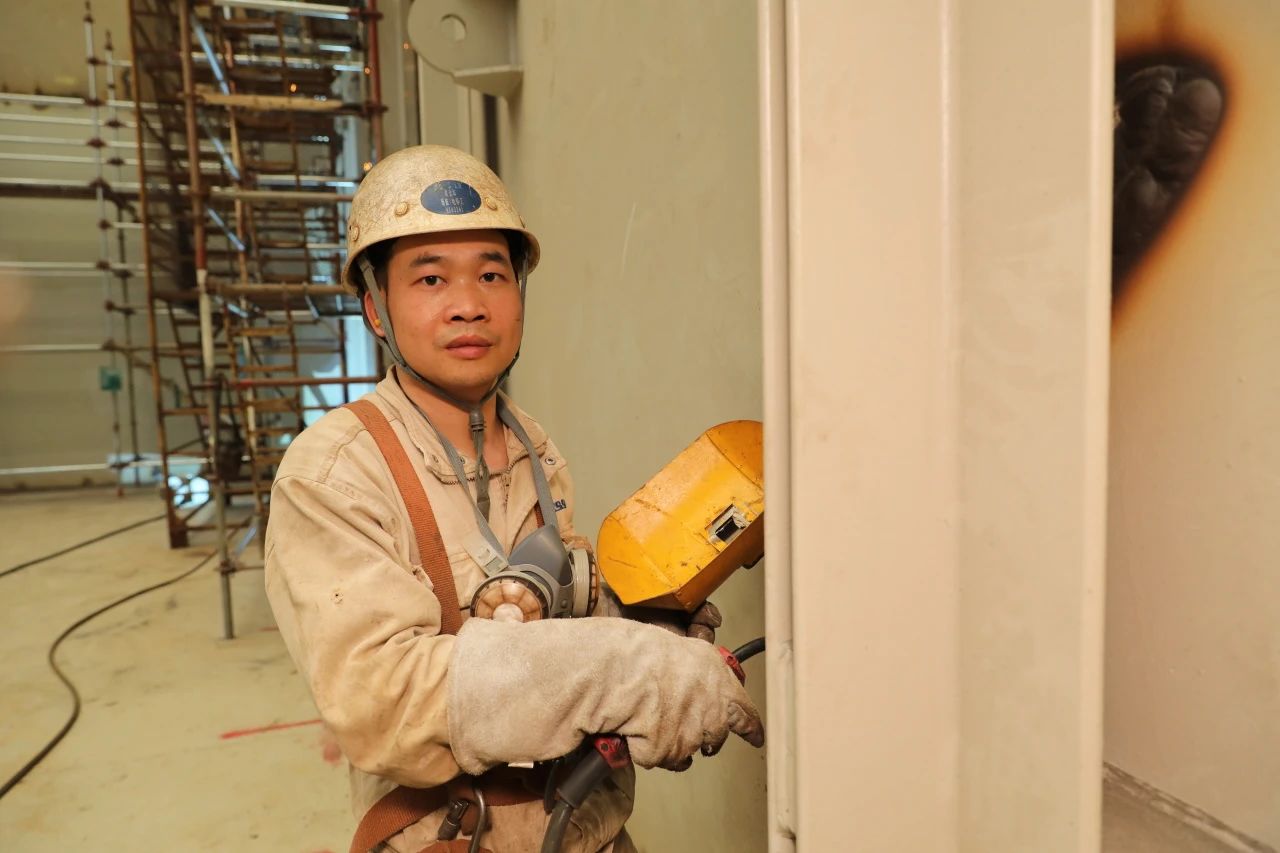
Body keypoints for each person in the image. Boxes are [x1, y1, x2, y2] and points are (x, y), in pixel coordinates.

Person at [264, 145, 764, 853]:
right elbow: (384, 701)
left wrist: (635, 622)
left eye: (492, 274)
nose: (469, 305)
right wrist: (621, 668)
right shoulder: (334, 473)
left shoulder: (533, 445)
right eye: (430, 278)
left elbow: (541, 605)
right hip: (453, 838)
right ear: (376, 307)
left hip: (585, 827)